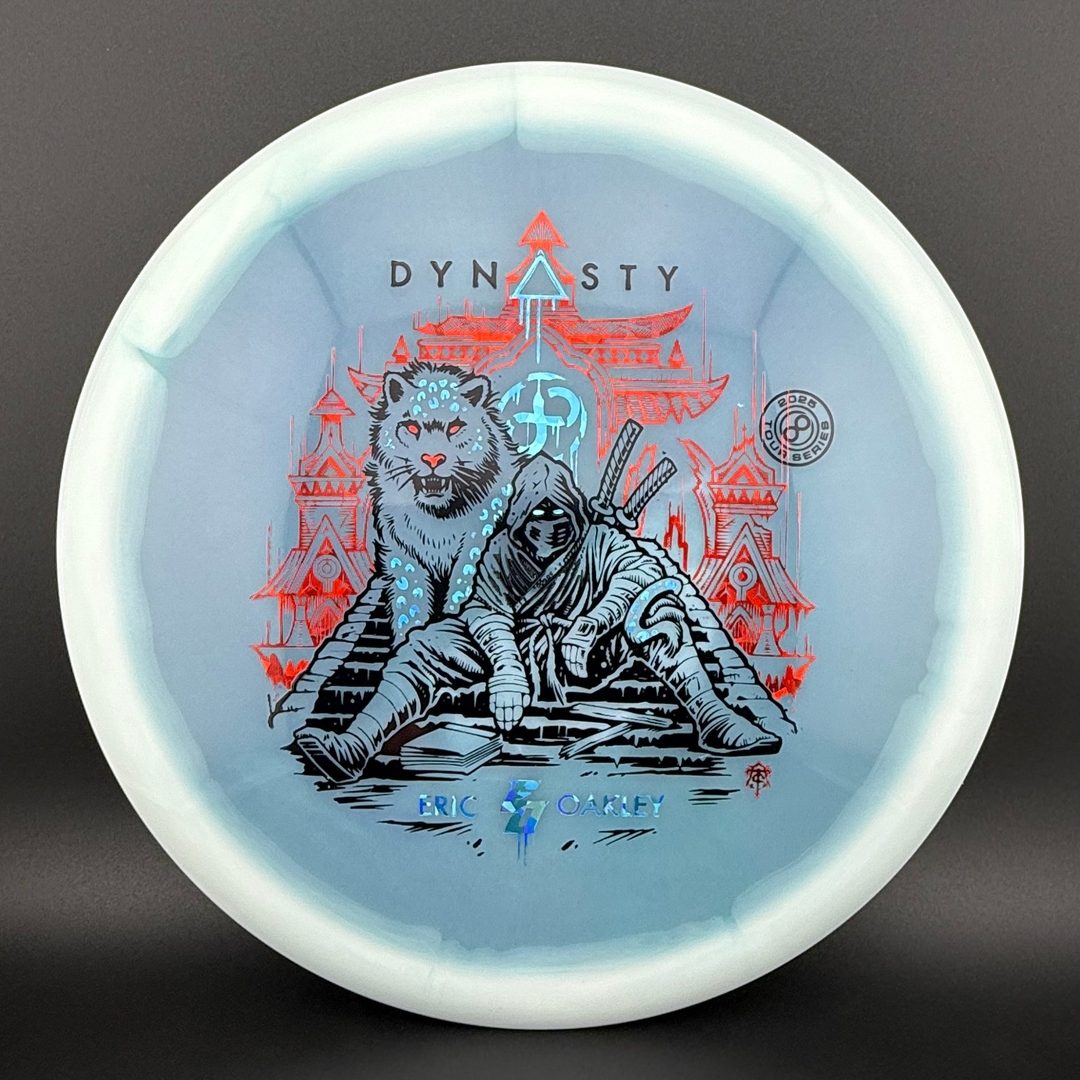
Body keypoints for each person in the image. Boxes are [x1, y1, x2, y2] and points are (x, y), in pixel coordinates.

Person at [294, 452, 792, 782]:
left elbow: (640, 574)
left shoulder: (600, 542)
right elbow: (485, 609)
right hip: (523, 652)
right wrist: (506, 666)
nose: (549, 528)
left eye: (559, 517)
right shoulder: (501, 552)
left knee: (659, 610)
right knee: (429, 643)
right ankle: (357, 742)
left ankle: (712, 715)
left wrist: (594, 622)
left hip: (591, 654)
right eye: (537, 517)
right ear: (518, 517)